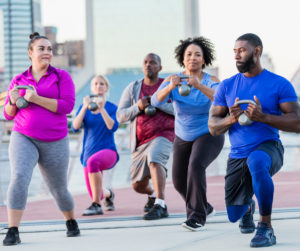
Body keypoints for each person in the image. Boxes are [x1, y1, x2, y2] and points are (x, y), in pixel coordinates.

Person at [208, 33, 300, 248]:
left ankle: (266, 227)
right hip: (238, 153)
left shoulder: (279, 84)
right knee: (233, 214)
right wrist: (231, 118)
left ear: (257, 51)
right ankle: (247, 205)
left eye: (242, 50)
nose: (237, 56)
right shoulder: (227, 86)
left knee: (257, 162)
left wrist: (263, 117)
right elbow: (213, 127)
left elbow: (297, 122)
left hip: (269, 148)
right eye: (235, 52)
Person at [2, 32, 80, 246]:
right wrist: (13, 100)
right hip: (23, 136)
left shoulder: (61, 76)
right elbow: (8, 114)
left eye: (49, 49)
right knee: (19, 177)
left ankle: (70, 220)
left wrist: (36, 98)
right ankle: (13, 230)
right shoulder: (18, 80)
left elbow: (66, 106)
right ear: (30, 53)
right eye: (41, 48)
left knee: (58, 188)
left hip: (55, 139)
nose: (47, 52)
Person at [151, 37, 224, 231]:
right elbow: (155, 101)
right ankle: (204, 207)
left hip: (209, 133)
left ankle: (196, 217)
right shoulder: (172, 80)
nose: (193, 58)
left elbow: (222, 98)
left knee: (195, 166)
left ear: (203, 60)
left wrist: (198, 85)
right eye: (189, 55)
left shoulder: (210, 80)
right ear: (182, 59)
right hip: (183, 136)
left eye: (197, 55)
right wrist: (169, 87)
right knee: (178, 181)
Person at [117, 53, 174, 220]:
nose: (149, 65)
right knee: (137, 185)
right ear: (142, 67)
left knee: (155, 158)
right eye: (146, 62)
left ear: (160, 67)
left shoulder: (168, 85)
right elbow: (120, 116)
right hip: (140, 142)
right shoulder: (133, 88)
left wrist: (157, 102)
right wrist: (138, 106)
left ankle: (160, 204)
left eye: (153, 62)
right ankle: (153, 194)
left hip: (164, 134)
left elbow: (180, 110)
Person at [72, 75, 118, 215]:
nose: (98, 86)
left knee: (94, 162)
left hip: (108, 152)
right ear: (92, 88)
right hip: (88, 155)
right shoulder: (84, 108)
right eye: (95, 84)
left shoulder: (111, 107)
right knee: (96, 192)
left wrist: (102, 108)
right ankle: (109, 195)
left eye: (101, 84)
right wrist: (85, 107)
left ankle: (97, 205)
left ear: (106, 88)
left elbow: (113, 127)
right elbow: (75, 127)